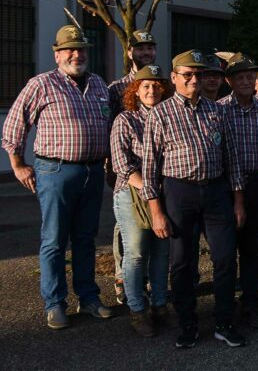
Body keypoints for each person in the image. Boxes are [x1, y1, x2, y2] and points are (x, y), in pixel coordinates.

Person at [3, 25, 116, 329]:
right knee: (54, 240)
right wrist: (18, 164)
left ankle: (89, 297)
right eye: (69, 49)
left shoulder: (99, 85)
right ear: (57, 54)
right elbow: (15, 124)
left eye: (80, 49)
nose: (76, 54)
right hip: (55, 171)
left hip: (93, 170)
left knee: (85, 239)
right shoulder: (42, 85)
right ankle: (54, 303)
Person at [142, 49, 243, 348]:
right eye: (187, 75)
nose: (194, 79)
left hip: (215, 192)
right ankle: (188, 322)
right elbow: (150, 167)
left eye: (198, 74)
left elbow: (232, 158)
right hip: (178, 192)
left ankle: (224, 321)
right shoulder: (160, 113)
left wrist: (238, 201)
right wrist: (156, 211)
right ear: (174, 78)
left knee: (225, 258)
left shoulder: (217, 111)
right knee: (183, 262)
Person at [110, 65, 171, 336]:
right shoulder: (125, 120)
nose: (151, 90)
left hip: (165, 191)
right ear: (135, 90)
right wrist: (150, 190)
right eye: (145, 86)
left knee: (161, 251)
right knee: (135, 253)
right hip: (132, 192)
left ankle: (159, 305)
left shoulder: (170, 117)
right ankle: (137, 309)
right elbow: (121, 164)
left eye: (157, 86)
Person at [218, 53, 258, 329]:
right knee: (226, 252)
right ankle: (225, 309)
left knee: (252, 250)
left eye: (250, 76)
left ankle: (251, 304)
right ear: (229, 80)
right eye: (239, 77)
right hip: (226, 188)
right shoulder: (219, 110)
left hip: (257, 185)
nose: (246, 81)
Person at [106, 29, 157, 305]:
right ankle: (122, 276)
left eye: (150, 48)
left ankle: (145, 280)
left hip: (156, 174)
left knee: (151, 227)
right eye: (141, 48)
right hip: (125, 168)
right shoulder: (116, 88)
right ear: (130, 52)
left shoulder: (160, 83)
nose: (146, 52)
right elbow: (112, 126)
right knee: (126, 224)